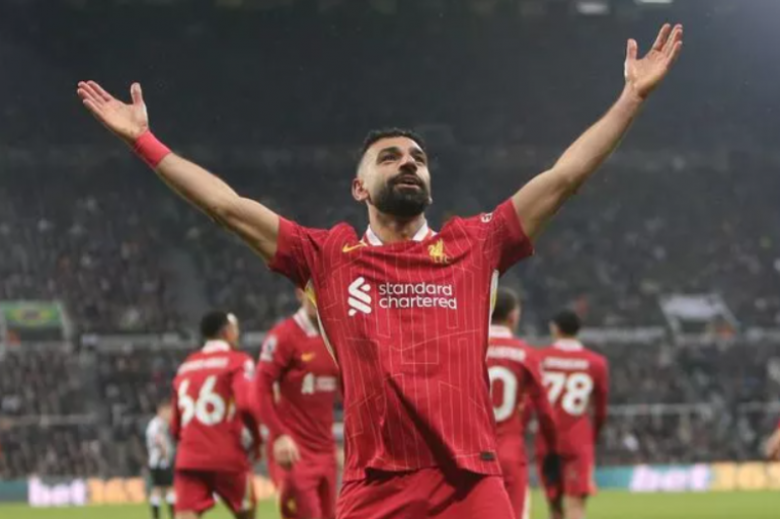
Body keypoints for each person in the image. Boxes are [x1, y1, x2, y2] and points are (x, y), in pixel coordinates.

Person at [77, 23, 682, 519]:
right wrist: (144, 142)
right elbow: (227, 207)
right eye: (389, 158)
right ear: (359, 186)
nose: (408, 164)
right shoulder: (326, 256)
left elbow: (564, 177)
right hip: (374, 490)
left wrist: (631, 98)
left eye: (417, 158)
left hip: (471, 485)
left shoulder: (476, 243)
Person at [256, 288, 340, 519]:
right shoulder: (283, 336)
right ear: (299, 294)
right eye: (311, 291)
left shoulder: (336, 336)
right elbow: (260, 388)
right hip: (294, 451)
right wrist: (279, 435)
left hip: (326, 450)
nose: (317, 297)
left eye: (322, 290)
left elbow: (348, 392)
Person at [169, 311, 261, 519]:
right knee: (246, 512)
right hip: (226, 454)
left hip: (189, 456)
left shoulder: (185, 366)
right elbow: (247, 405)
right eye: (235, 329)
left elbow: (175, 427)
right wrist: (257, 441)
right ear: (227, 332)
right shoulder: (239, 361)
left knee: (185, 515)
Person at [487, 287, 559, 519]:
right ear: (513, 316)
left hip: (472, 453)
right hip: (510, 453)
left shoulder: (467, 348)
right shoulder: (526, 354)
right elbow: (545, 412)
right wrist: (553, 449)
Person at [535, 311, 609, 519]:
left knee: (554, 507)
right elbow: (601, 411)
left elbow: (531, 400)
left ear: (554, 328)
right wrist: (592, 438)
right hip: (578, 439)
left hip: (547, 439)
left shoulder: (539, 358)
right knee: (576, 506)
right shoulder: (596, 362)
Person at [146, 400, 176, 519]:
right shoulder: (157, 425)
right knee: (168, 488)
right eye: (168, 411)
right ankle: (172, 515)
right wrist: (166, 456)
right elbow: (159, 441)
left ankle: (157, 516)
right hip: (161, 462)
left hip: (155, 462)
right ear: (161, 411)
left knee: (157, 489)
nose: (170, 414)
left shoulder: (156, 424)